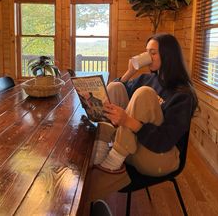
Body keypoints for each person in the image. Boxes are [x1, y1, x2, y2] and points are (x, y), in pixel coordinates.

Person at [85, 33, 198, 203]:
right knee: (115, 86)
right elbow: (117, 91)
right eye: (146, 52)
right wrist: (130, 71)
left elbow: (164, 141)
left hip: (159, 156)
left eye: (153, 53)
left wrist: (127, 121)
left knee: (144, 93)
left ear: (168, 56)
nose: (147, 56)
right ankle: (102, 148)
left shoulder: (183, 95)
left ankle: (113, 159)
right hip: (135, 146)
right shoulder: (148, 78)